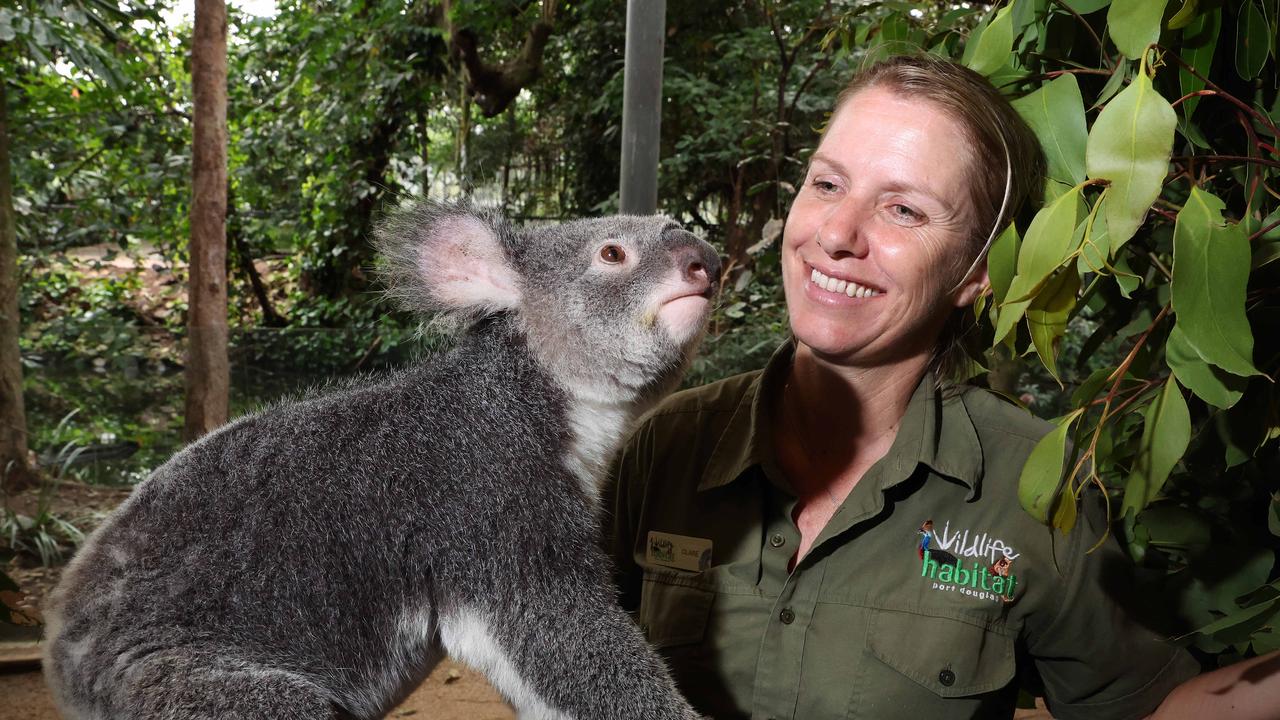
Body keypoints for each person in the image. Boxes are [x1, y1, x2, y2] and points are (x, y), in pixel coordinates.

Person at [606, 54, 1280, 720]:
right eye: (827, 184)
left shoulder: (1030, 490)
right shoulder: (660, 447)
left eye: (903, 209)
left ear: (976, 271)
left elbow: (1143, 708)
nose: (837, 234)